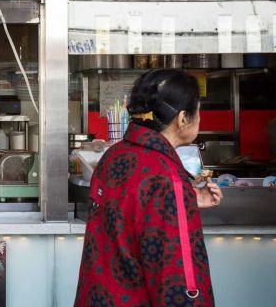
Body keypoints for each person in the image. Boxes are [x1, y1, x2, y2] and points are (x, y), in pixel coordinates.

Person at [75, 69, 222, 307]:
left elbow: (131, 218)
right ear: (183, 117)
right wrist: (179, 196)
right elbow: (178, 280)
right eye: (198, 112)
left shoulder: (115, 155)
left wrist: (186, 198)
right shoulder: (166, 178)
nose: (200, 119)